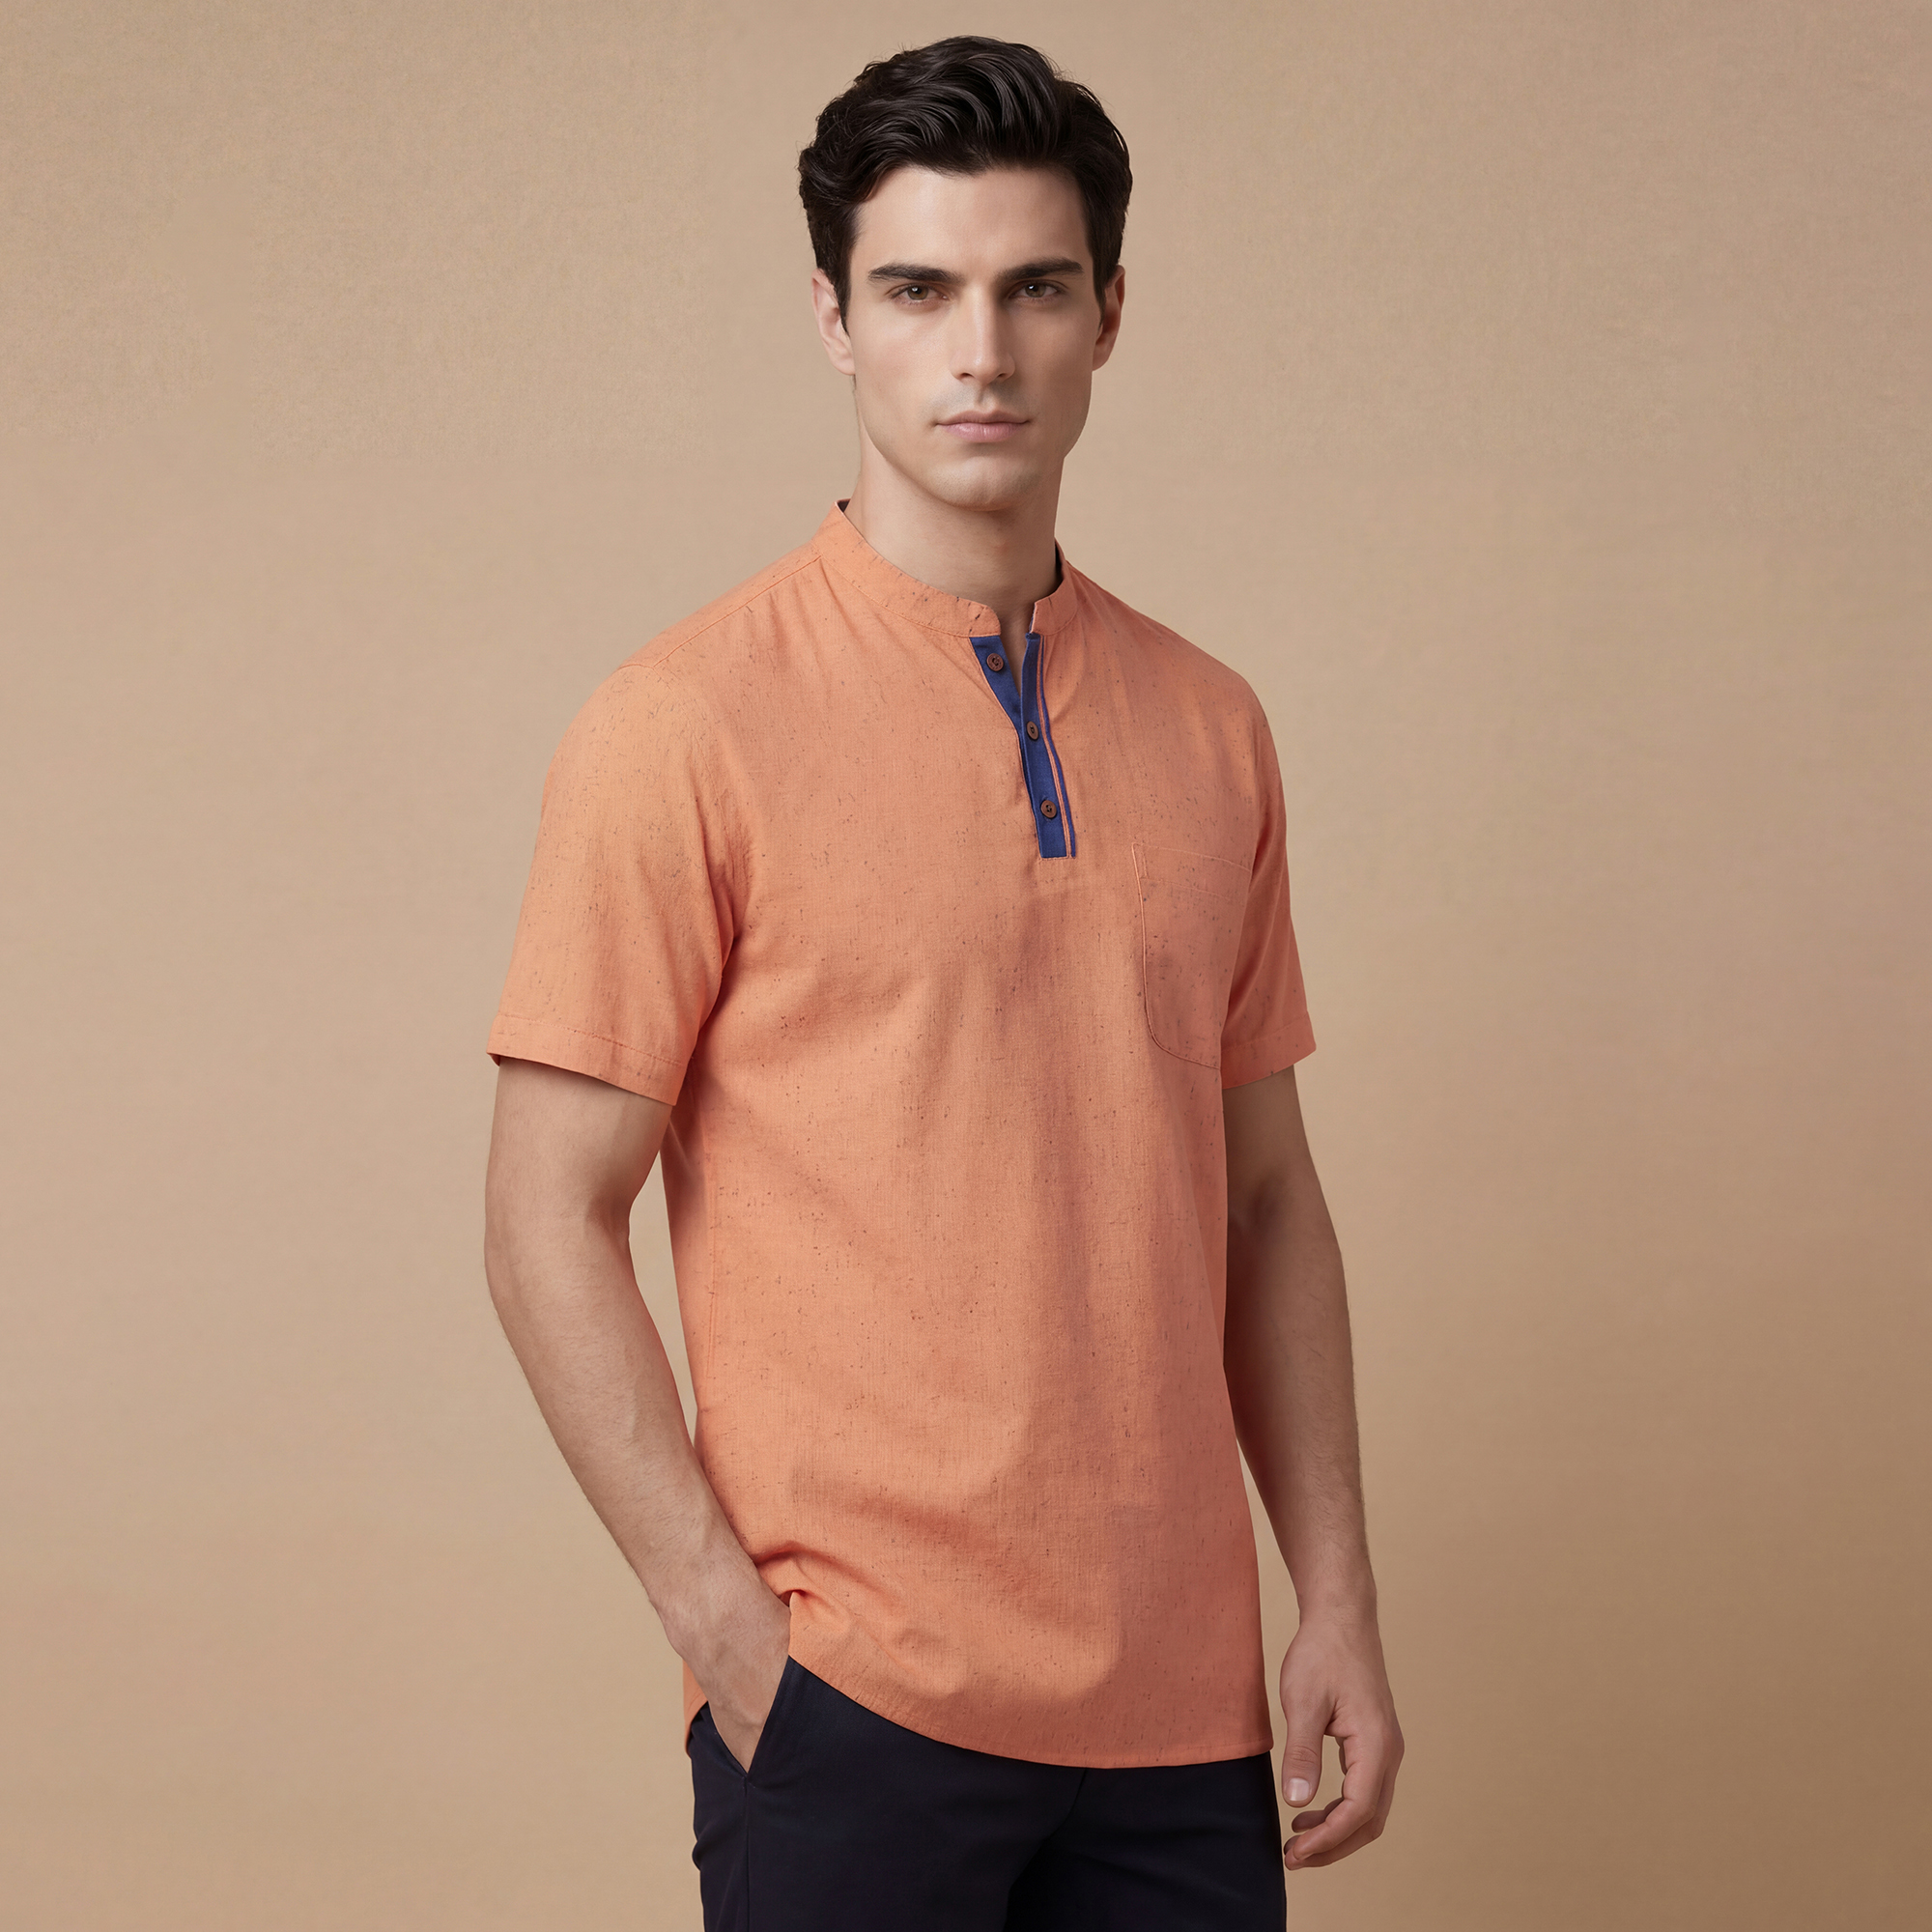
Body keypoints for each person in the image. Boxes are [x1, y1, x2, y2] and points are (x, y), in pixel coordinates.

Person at [482, 34, 1402, 1931]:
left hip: (1184, 1728)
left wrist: (1337, 1600)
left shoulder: (1211, 727)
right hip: (854, 1709)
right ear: (834, 320)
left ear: (1108, 315)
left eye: (1033, 288)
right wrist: (731, 1641)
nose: (980, 350)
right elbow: (541, 1216)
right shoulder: (683, 725)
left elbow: (1266, 1197)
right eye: (916, 291)